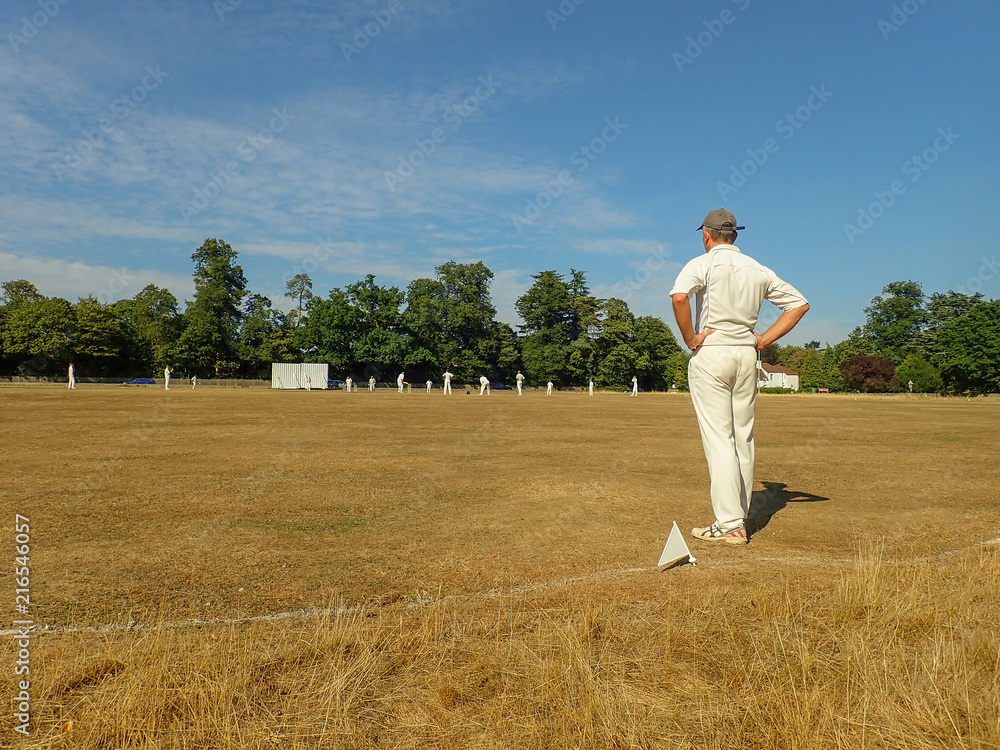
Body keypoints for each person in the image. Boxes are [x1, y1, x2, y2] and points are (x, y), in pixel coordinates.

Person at [670, 209, 809, 545]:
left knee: (719, 439)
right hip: (747, 355)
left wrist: (690, 339)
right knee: (742, 437)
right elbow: (799, 304)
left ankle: (729, 524)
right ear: (735, 235)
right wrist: (763, 339)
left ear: (706, 234)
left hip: (713, 352)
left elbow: (679, 298)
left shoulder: (701, 263)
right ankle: (738, 518)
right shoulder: (757, 268)